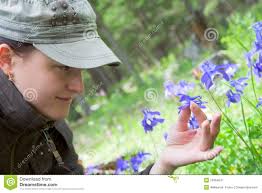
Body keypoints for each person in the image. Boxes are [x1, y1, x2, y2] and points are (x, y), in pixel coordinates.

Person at [0, 0, 223, 175]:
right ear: (7, 60)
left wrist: (162, 166)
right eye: (64, 66)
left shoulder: (45, 123)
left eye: (81, 68)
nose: (79, 87)